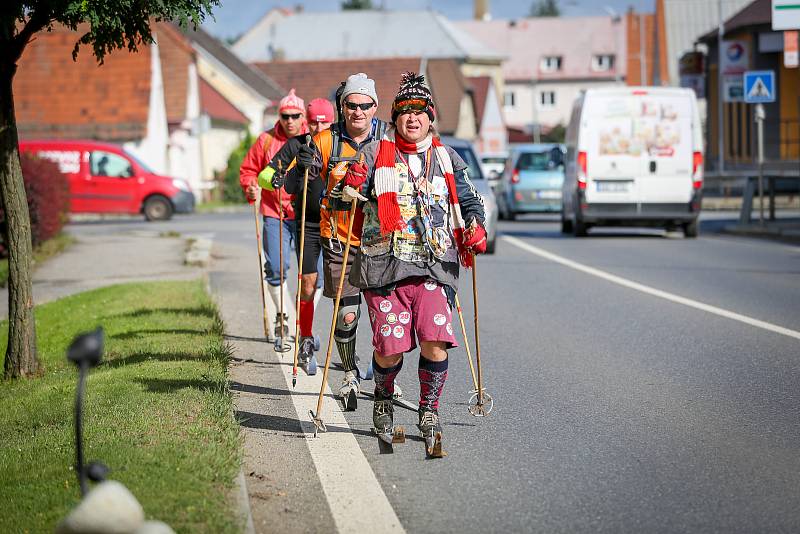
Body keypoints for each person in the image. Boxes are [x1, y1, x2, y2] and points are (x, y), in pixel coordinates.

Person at [341, 72, 487, 456]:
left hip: (435, 265)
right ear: (395, 117)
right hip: (384, 266)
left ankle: (429, 410)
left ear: (430, 116)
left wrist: (475, 224)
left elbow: (471, 199)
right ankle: (384, 397)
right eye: (404, 111)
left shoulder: (446, 157)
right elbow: (345, 195)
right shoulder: (374, 153)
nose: (412, 118)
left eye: (419, 111)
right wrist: (349, 186)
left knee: (435, 340)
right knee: (390, 348)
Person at [289, 73, 395, 411]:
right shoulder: (325, 141)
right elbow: (292, 183)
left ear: (375, 107)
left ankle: (384, 380)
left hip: (383, 244)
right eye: (351, 105)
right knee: (348, 316)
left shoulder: (389, 140)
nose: (358, 111)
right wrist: (302, 168)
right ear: (343, 106)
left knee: (388, 319)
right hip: (340, 241)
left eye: (365, 105)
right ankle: (349, 373)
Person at [260, 97, 336, 372]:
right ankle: (305, 337)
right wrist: (276, 179)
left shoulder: (340, 141)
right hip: (309, 223)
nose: (318, 126)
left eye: (324, 121)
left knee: (344, 287)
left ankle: (348, 353)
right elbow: (267, 175)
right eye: (314, 121)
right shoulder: (297, 144)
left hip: (339, 222)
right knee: (308, 282)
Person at [240, 89, 308, 340]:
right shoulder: (265, 140)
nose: (290, 121)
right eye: (285, 116)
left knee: (313, 274)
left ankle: (305, 322)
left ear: (303, 116)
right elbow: (249, 170)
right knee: (278, 267)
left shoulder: (312, 138)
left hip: (305, 214)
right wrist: (251, 186)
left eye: (295, 115)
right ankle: (282, 315)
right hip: (274, 212)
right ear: (279, 116)